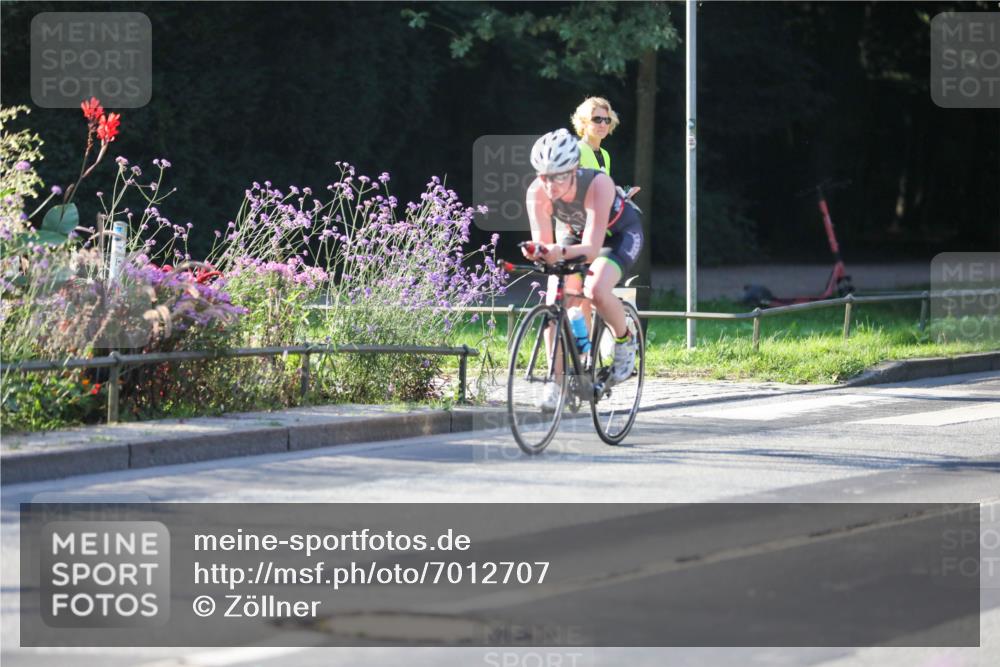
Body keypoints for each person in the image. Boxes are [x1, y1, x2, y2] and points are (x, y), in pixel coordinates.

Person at [523, 128, 643, 410]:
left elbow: (591, 248)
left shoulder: (598, 184)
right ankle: (558, 381)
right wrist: (536, 251)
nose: (549, 184)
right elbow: (546, 246)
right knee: (555, 299)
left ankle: (625, 341)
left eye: (558, 176)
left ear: (575, 169)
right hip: (574, 235)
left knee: (596, 288)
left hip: (620, 234)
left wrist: (556, 252)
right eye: (543, 176)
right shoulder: (537, 192)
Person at [570, 96, 640, 199]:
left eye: (607, 120)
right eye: (597, 119)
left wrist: (619, 194)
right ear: (584, 122)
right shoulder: (574, 151)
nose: (603, 124)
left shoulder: (605, 155)